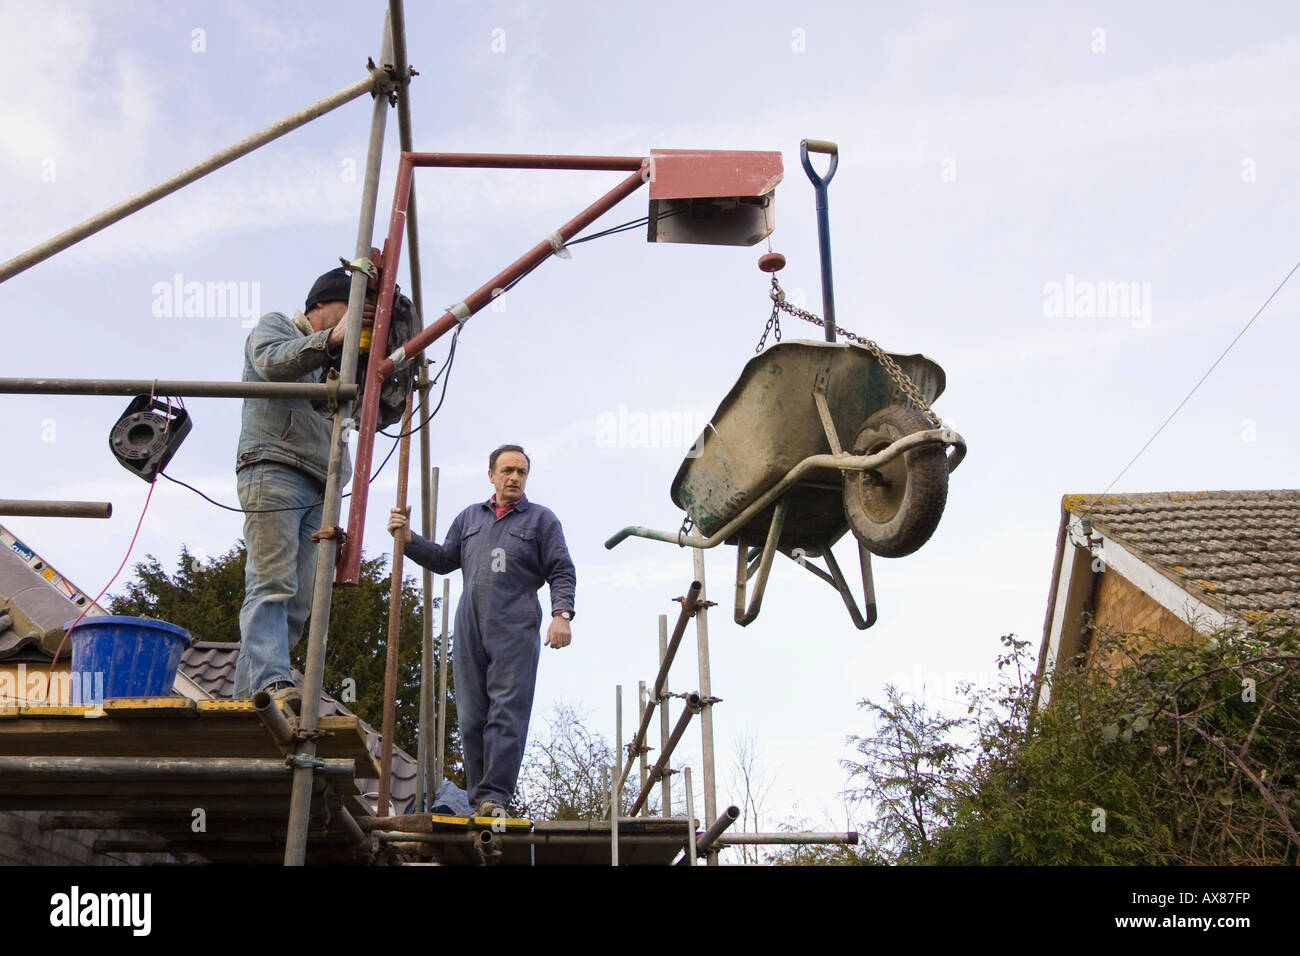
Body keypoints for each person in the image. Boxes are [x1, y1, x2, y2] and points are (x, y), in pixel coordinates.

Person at [387, 444, 576, 817]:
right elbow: (444, 560)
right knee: (472, 717)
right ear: (491, 475)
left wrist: (562, 614)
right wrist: (409, 539)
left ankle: (495, 798)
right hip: (470, 625)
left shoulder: (541, 520)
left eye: (521, 472)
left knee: (506, 713)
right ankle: (479, 802)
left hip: (515, 627)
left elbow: (561, 569)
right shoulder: (470, 518)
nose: (514, 477)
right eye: (507, 470)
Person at [233, 267, 369, 706]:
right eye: (349, 311)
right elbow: (273, 361)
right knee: (271, 582)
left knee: (296, 602)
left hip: (321, 486)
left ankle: (248, 701)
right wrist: (330, 342)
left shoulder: (336, 364)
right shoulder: (277, 326)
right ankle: (273, 682)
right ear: (319, 307)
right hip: (274, 468)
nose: (353, 325)